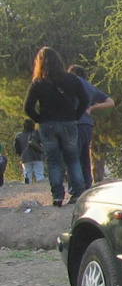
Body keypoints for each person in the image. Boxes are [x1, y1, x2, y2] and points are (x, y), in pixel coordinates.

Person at [23, 46, 89, 207]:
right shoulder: (72, 79)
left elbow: (27, 107)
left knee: (53, 161)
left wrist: (39, 119)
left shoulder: (37, 83)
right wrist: (75, 116)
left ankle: (58, 196)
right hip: (68, 123)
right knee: (73, 159)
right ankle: (78, 193)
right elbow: (85, 100)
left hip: (47, 125)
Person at [68, 65, 115, 189]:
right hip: (87, 124)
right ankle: (87, 186)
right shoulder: (90, 87)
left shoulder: (71, 84)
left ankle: (76, 188)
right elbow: (110, 101)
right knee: (85, 156)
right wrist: (92, 107)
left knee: (73, 157)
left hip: (74, 123)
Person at [14, 119, 45, 184]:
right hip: (37, 156)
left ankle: (27, 188)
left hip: (25, 157)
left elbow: (17, 148)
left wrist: (20, 154)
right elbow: (43, 142)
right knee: (39, 174)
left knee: (27, 174)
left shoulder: (19, 136)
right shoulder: (37, 133)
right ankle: (41, 188)